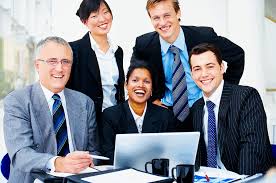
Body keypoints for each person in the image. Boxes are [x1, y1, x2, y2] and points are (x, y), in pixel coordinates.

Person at [3, 37, 99, 183]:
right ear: (37, 65)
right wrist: (59, 163)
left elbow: (94, 151)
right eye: (52, 61)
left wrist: (90, 161)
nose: (60, 68)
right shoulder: (17, 101)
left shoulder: (85, 103)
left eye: (65, 62)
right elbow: (21, 154)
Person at [132, 0, 244, 124]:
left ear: (178, 13)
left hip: (203, 107)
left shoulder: (204, 36)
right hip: (165, 111)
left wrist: (222, 92)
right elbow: (134, 77)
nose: (162, 22)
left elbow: (237, 56)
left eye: (167, 15)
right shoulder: (143, 44)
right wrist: (150, 100)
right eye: (156, 18)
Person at [189, 43, 273, 175]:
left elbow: (252, 152)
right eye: (197, 69)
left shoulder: (246, 97)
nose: (204, 74)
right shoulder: (196, 108)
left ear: (222, 67)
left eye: (210, 66)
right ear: (192, 74)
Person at [101, 59, 177, 164]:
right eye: (135, 80)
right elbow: (108, 155)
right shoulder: (110, 115)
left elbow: (171, 153)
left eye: (146, 81)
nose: (140, 85)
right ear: (126, 85)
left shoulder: (165, 115)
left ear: (152, 89)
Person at [67, 0, 125, 123]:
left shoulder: (117, 51)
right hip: (86, 121)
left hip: (115, 120)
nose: (102, 19)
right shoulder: (74, 50)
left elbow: (118, 91)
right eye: (94, 16)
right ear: (84, 21)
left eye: (105, 12)